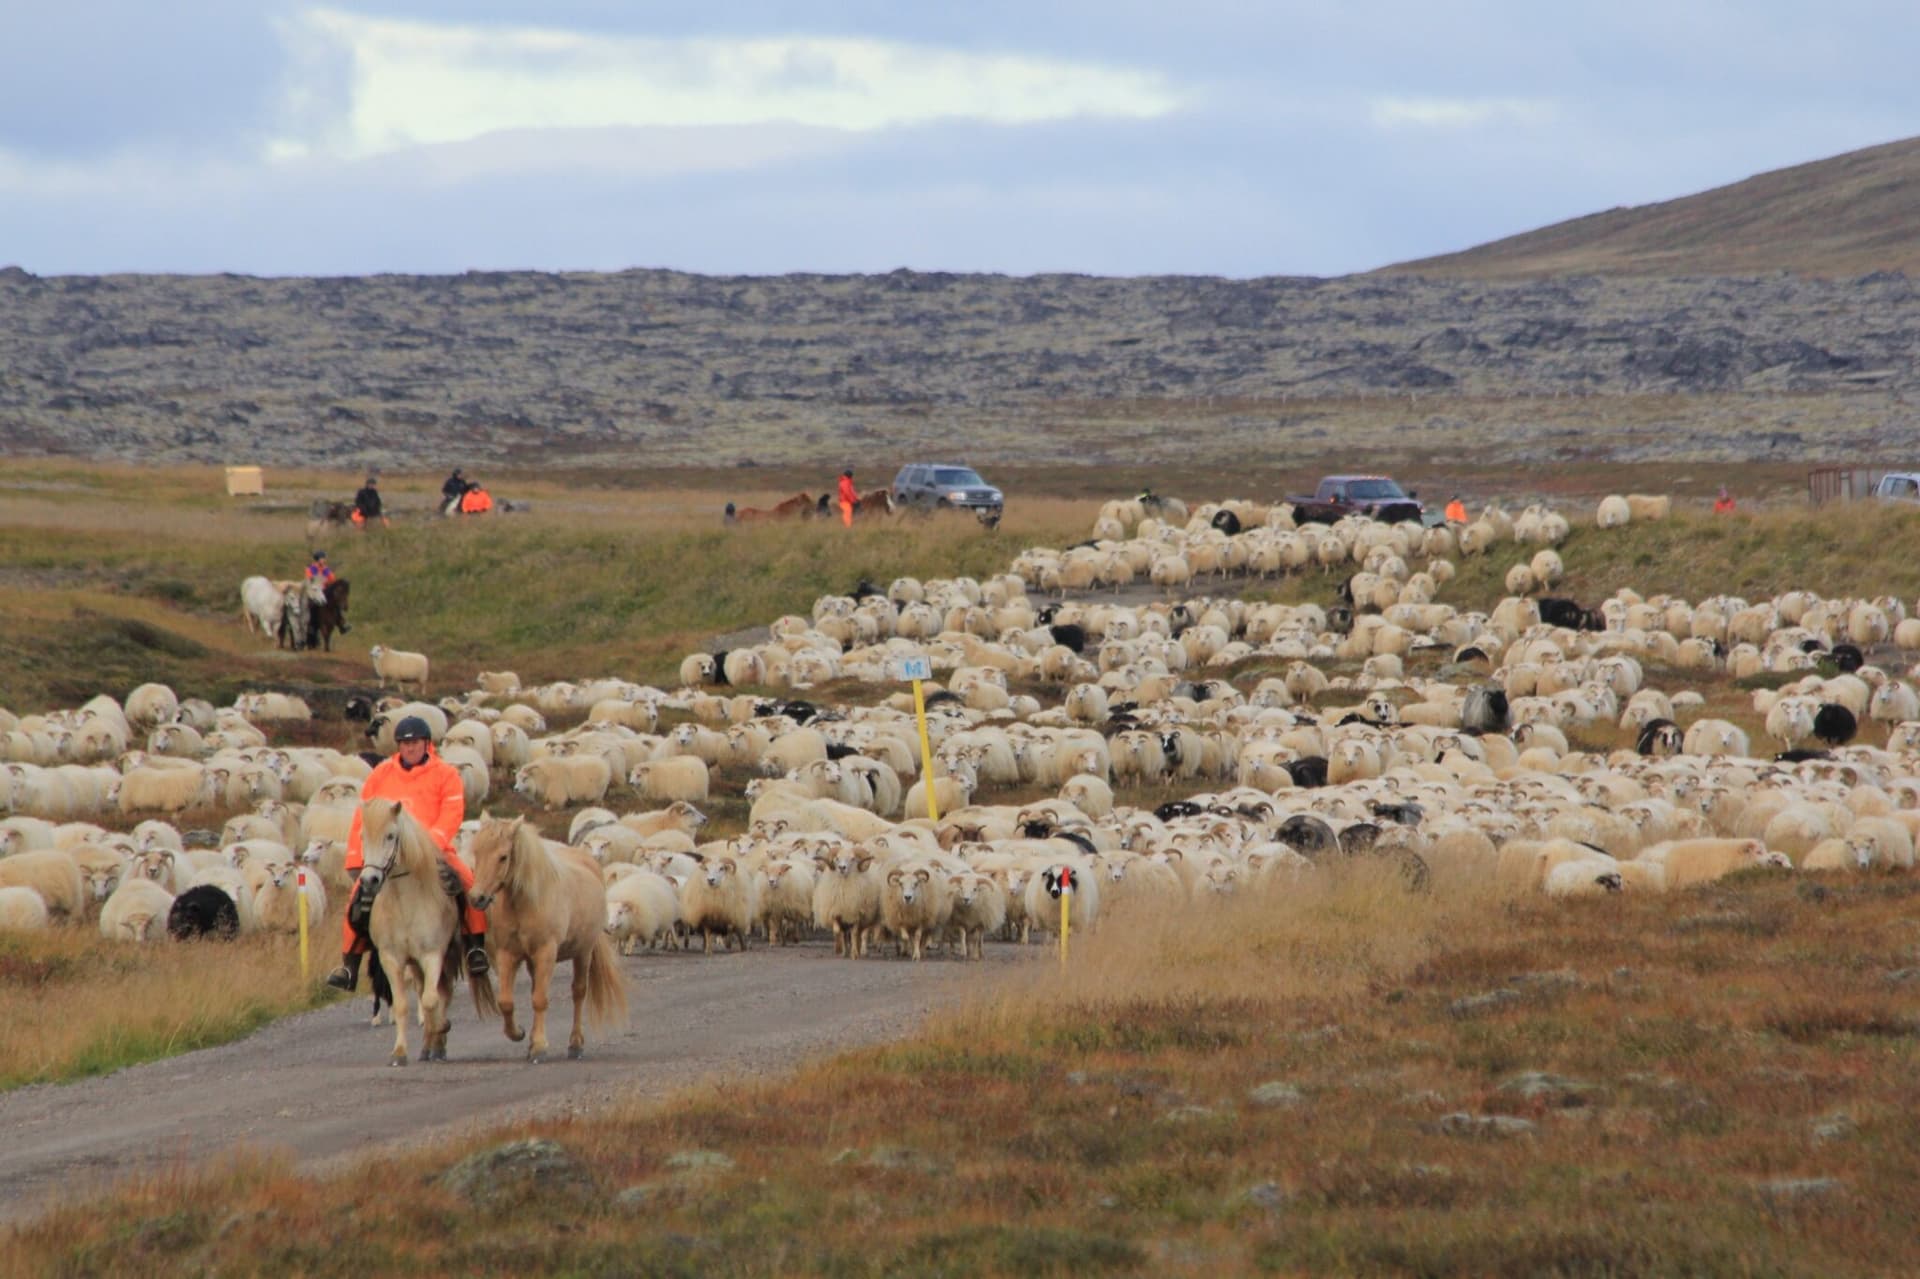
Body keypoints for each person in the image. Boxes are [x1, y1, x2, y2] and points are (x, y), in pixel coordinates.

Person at [326, 717, 488, 991]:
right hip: (387, 853)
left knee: (467, 884)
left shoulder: (446, 774)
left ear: (427, 743)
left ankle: (475, 948)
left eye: (414, 743)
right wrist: (356, 857)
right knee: (357, 898)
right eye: (404, 743)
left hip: (433, 850)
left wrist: (429, 844)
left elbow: (452, 813)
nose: (410, 748)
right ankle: (349, 965)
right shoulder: (381, 774)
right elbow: (364, 816)